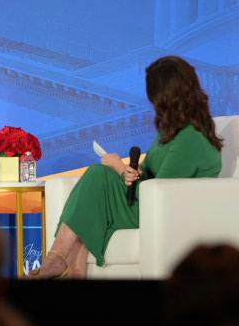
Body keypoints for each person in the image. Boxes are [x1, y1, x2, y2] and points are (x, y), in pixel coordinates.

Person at [34, 55, 223, 279]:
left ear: (166, 96)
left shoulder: (190, 138)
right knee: (96, 185)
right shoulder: (172, 130)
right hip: (146, 202)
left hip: (163, 212)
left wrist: (119, 168)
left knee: (97, 175)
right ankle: (71, 268)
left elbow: (160, 192)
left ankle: (57, 260)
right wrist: (132, 173)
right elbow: (148, 172)